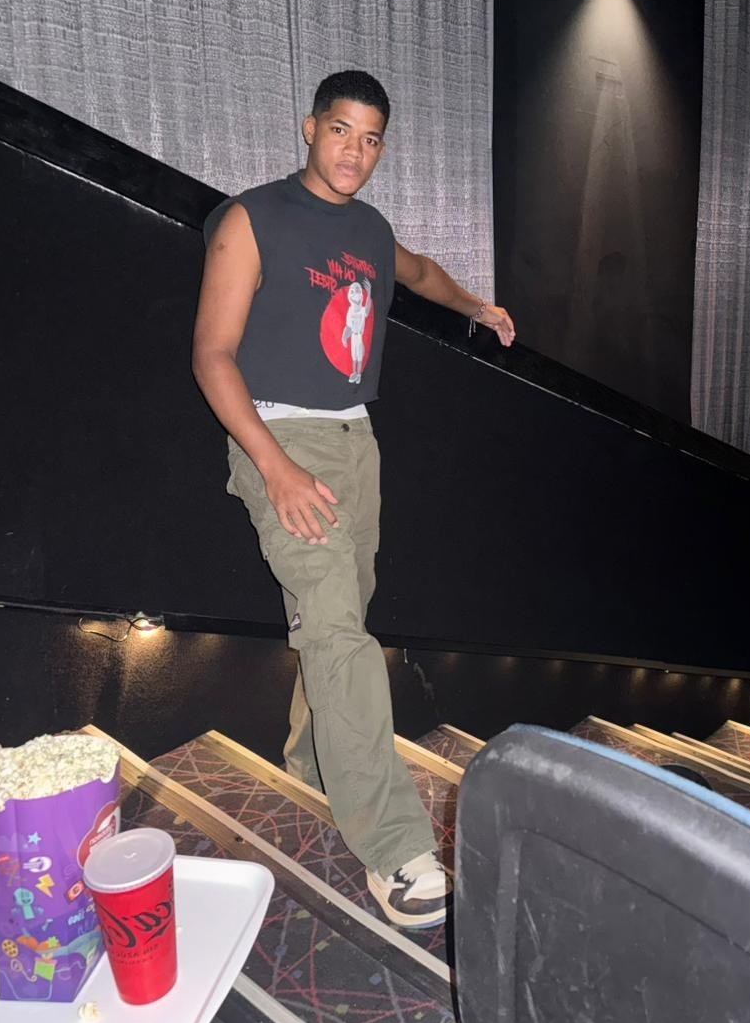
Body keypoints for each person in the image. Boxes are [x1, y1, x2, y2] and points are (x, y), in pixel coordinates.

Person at [192, 70, 514, 929]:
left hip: (354, 443)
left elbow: (420, 273)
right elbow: (212, 355)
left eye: (371, 139)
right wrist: (274, 468)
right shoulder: (252, 218)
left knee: (337, 620)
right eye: (341, 130)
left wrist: (478, 306)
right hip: (279, 438)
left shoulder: (370, 229)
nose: (355, 151)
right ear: (310, 128)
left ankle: (312, 766)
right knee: (339, 632)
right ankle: (396, 848)